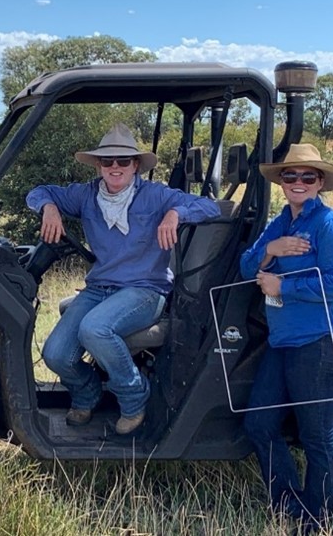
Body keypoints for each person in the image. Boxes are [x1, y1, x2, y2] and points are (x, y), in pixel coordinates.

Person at [26, 123, 220, 434]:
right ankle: (87, 394)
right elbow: (38, 192)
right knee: (56, 354)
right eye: (108, 161)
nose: (115, 167)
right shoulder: (86, 195)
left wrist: (175, 214)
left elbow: (208, 206)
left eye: (123, 161)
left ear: (136, 165)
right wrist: (48, 207)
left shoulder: (154, 196)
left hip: (145, 289)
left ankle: (133, 397)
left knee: (95, 329)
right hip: (100, 288)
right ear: (99, 165)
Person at [239, 143, 333, 529]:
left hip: (321, 339)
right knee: (259, 423)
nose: (298, 182)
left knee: (317, 435)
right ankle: (289, 503)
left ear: (320, 182)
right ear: (282, 182)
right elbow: (245, 266)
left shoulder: (329, 225)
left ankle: (322, 520)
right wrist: (270, 250)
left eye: (308, 176)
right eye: (291, 176)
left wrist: (282, 288)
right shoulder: (281, 223)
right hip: (283, 341)